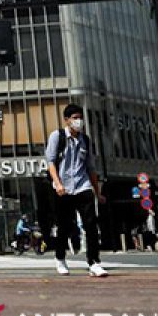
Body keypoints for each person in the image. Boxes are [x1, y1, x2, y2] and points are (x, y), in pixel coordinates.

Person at [45, 104, 108, 277]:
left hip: (82, 185)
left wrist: (98, 192)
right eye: (74, 117)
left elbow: (91, 168)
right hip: (63, 187)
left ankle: (94, 262)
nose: (78, 121)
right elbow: (50, 162)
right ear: (66, 120)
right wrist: (57, 184)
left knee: (91, 224)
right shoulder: (57, 136)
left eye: (80, 117)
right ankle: (60, 258)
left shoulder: (85, 140)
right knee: (64, 225)